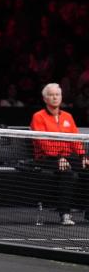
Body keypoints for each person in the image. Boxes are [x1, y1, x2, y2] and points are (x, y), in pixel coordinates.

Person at [30, 83, 88, 226]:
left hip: (67, 156)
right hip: (45, 158)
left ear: (61, 97)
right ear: (45, 99)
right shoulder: (38, 117)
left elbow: (76, 140)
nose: (54, 97)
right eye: (51, 95)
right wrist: (58, 157)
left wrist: (83, 156)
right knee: (68, 173)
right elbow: (42, 142)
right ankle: (65, 214)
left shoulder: (68, 116)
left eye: (57, 94)